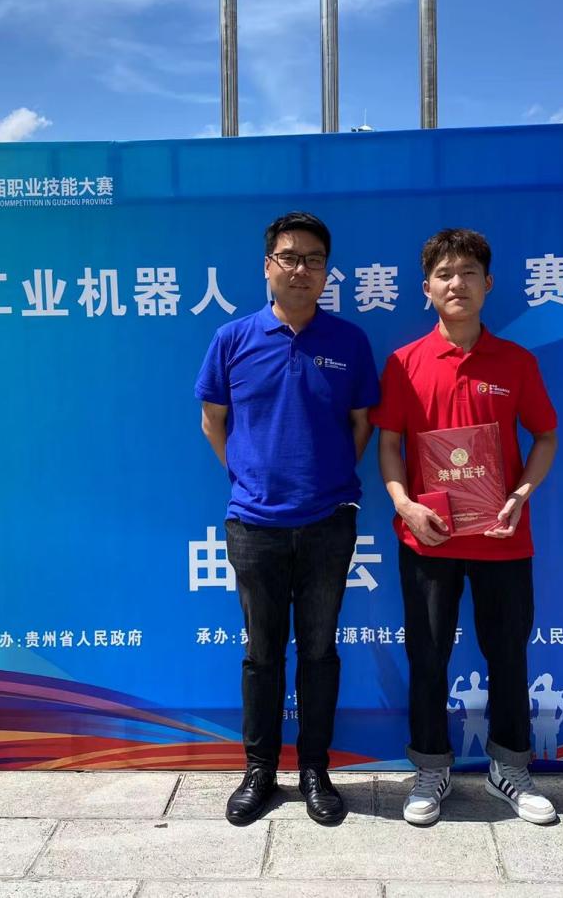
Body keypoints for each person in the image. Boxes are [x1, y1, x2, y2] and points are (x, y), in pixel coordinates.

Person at [195, 211, 379, 826]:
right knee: (262, 653)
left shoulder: (349, 342)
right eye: (289, 257)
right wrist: (252, 476)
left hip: (328, 521)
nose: (301, 270)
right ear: (267, 266)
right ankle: (259, 770)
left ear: (327, 273)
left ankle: (315, 770)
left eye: (314, 260)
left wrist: (325, 480)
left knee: (320, 651)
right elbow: (213, 421)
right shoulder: (232, 339)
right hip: (254, 524)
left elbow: (361, 426)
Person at [371, 227, 559, 827]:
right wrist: (404, 504)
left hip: (502, 538)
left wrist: (521, 493)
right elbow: (389, 443)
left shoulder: (516, 362)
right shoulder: (404, 363)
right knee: (428, 656)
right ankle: (431, 766)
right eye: (445, 274)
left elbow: (546, 436)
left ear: (489, 283)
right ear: (426, 288)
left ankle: (510, 767)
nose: (458, 284)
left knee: (507, 655)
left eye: (469, 273)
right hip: (427, 537)